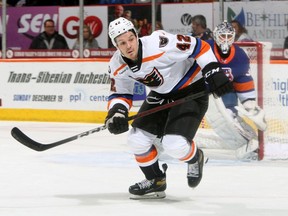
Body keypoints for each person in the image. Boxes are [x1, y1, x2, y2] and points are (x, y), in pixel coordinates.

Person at [105, 17, 233, 199]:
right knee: (136, 140)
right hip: (162, 95)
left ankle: (195, 158)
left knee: (174, 145)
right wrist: (117, 112)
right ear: (115, 45)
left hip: (191, 88)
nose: (128, 46)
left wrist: (213, 70)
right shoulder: (117, 65)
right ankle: (156, 180)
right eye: (122, 43)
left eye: (131, 39)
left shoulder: (159, 44)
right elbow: (121, 93)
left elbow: (200, 46)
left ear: (136, 35)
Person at [204, 21, 266, 159]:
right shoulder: (205, 48)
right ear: (215, 36)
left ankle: (249, 143)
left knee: (226, 116)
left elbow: (243, 80)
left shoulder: (239, 56)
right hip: (197, 89)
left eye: (228, 36)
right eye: (222, 36)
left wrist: (250, 105)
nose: (225, 39)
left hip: (224, 90)